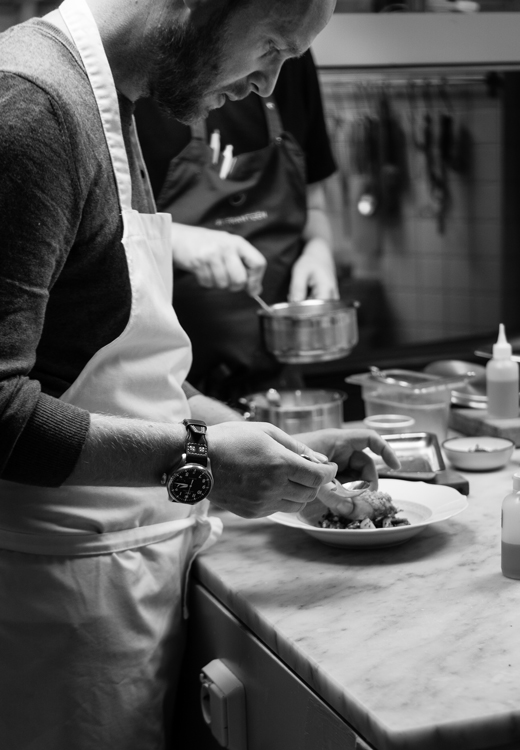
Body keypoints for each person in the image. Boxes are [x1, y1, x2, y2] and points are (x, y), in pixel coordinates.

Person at [0, 1, 399, 748]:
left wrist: (270, 445)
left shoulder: (112, 100)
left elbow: (107, 375)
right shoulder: (34, 109)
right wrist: (201, 463)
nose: (271, 86)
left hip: (116, 586)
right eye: (273, 46)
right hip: (45, 606)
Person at [135, 49, 339, 401]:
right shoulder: (142, 70)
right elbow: (99, 230)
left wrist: (319, 250)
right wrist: (173, 240)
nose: (269, 81)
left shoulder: (291, 56)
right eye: (270, 46)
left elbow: (314, 204)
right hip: (166, 391)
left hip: (276, 384)